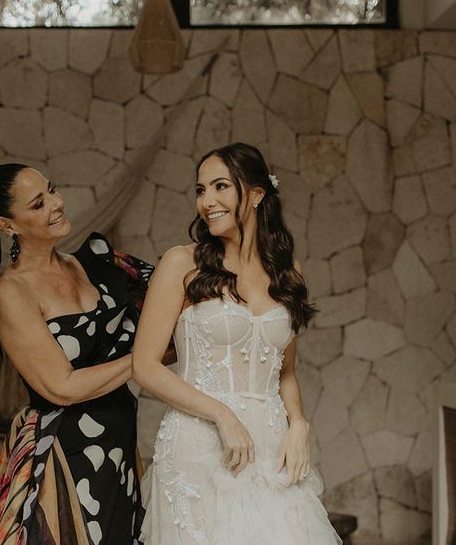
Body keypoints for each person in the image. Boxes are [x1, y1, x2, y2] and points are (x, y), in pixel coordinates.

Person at [132, 143, 342, 544]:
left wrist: (299, 423)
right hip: (199, 445)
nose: (207, 201)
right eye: (200, 190)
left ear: (257, 194)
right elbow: (145, 366)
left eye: (220, 187)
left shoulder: (287, 272)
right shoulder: (181, 263)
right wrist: (223, 416)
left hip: (272, 449)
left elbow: (286, 371)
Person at [0, 163, 153, 545]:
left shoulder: (97, 260)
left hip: (120, 444)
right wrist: (142, 359)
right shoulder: (12, 293)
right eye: (38, 203)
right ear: (7, 224)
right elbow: (62, 388)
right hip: (65, 454)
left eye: (52, 190)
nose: (57, 204)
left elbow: (166, 323)